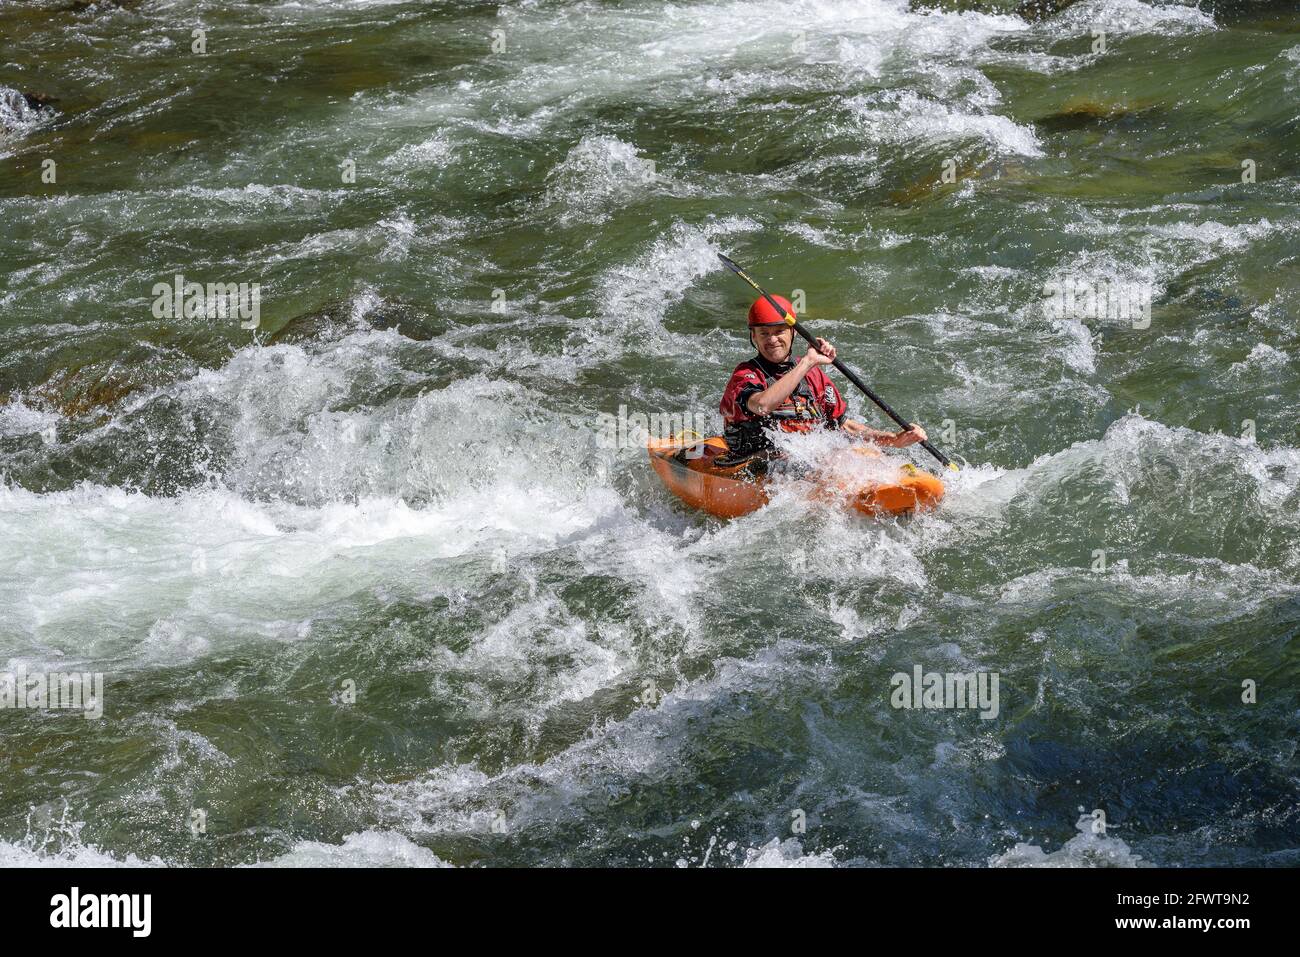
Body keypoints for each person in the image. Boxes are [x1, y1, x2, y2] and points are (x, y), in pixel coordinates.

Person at [718, 295, 927, 466]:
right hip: (756, 464)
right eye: (764, 333)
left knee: (869, 455)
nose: (772, 340)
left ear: (792, 332)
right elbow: (762, 406)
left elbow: (845, 427)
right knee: (831, 459)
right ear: (753, 336)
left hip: (805, 462)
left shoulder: (813, 376)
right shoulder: (746, 375)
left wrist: (895, 439)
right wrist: (808, 361)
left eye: (779, 331)